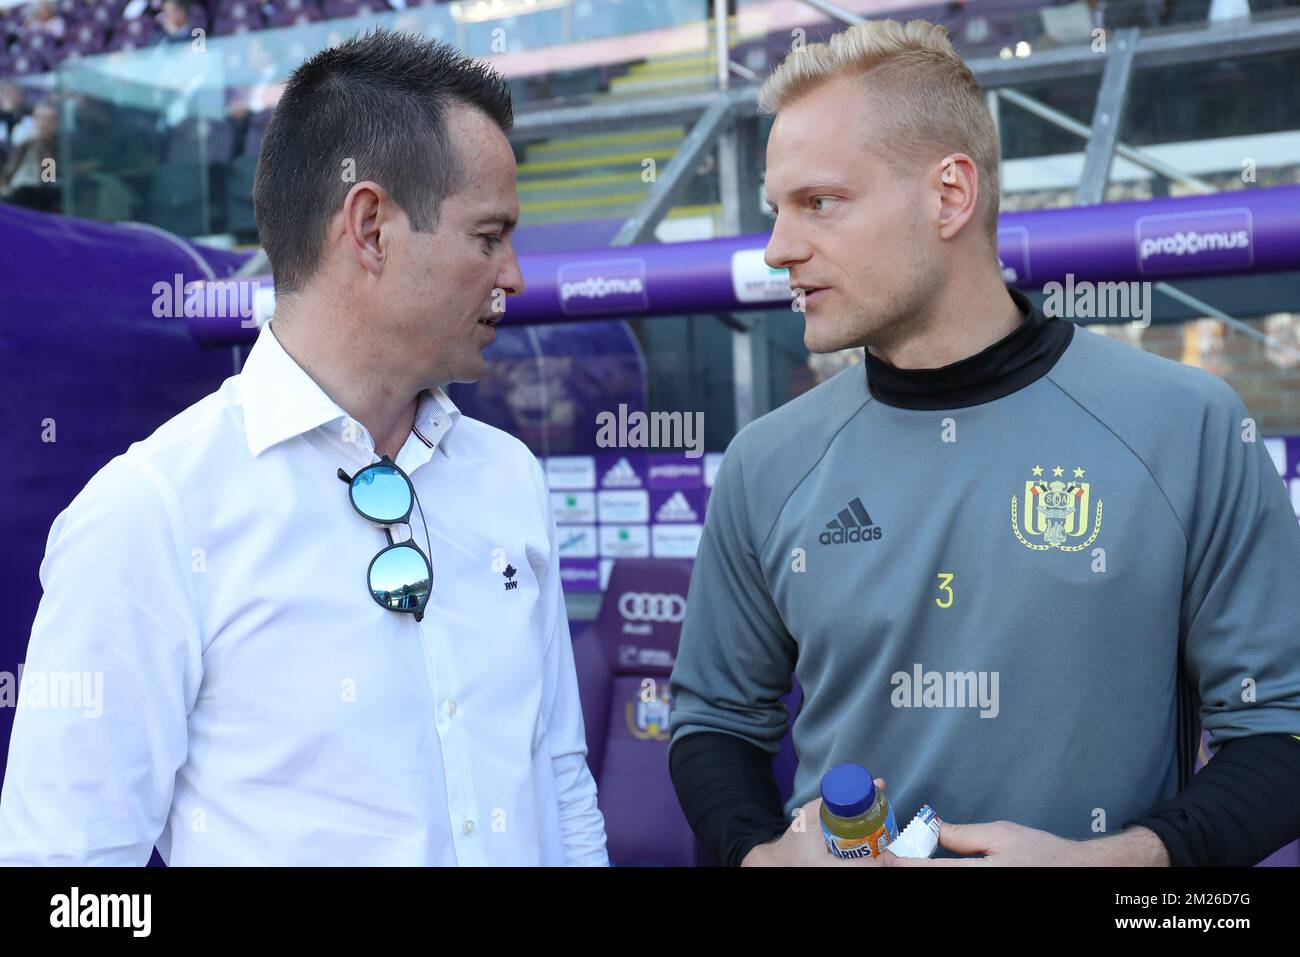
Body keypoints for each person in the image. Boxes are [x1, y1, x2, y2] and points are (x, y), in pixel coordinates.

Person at [668, 18, 1300, 867]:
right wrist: (758, 855)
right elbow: (712, 721)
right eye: (776, 208)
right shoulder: (766, 461)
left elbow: (1281, 725)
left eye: (819, 202)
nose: (780, 247)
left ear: (950, 196)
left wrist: (1120, 863)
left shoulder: (1186, 423)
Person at [0, 29, 608, 867]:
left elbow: (558, 774)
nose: (515, 276)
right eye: (488, 235)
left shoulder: (509, 478)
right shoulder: (152, 511)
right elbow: (65, 871)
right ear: (370, 227)